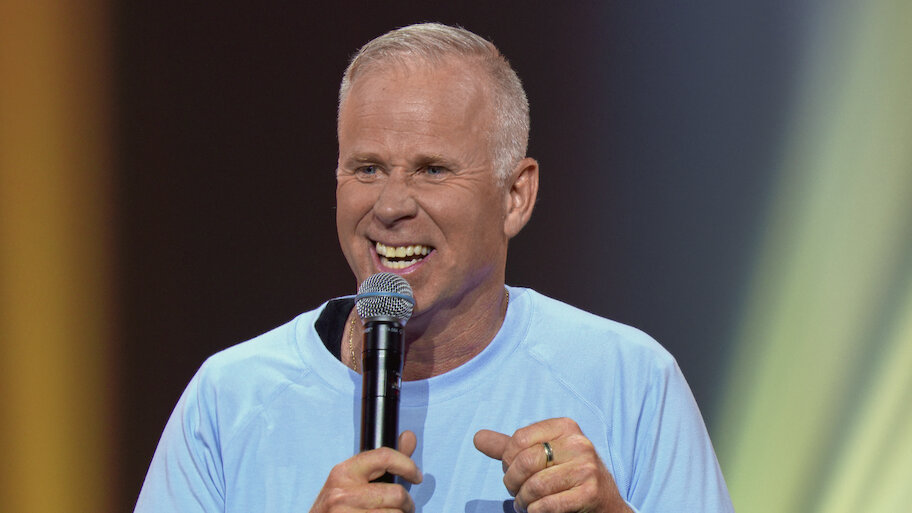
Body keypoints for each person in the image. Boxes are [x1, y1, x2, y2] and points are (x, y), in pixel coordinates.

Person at [135, 23, 733, 513]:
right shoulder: (230, 400)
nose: (390, 205)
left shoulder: (628, 381)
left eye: (432, 170)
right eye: (367, 169)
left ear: (515, 196)